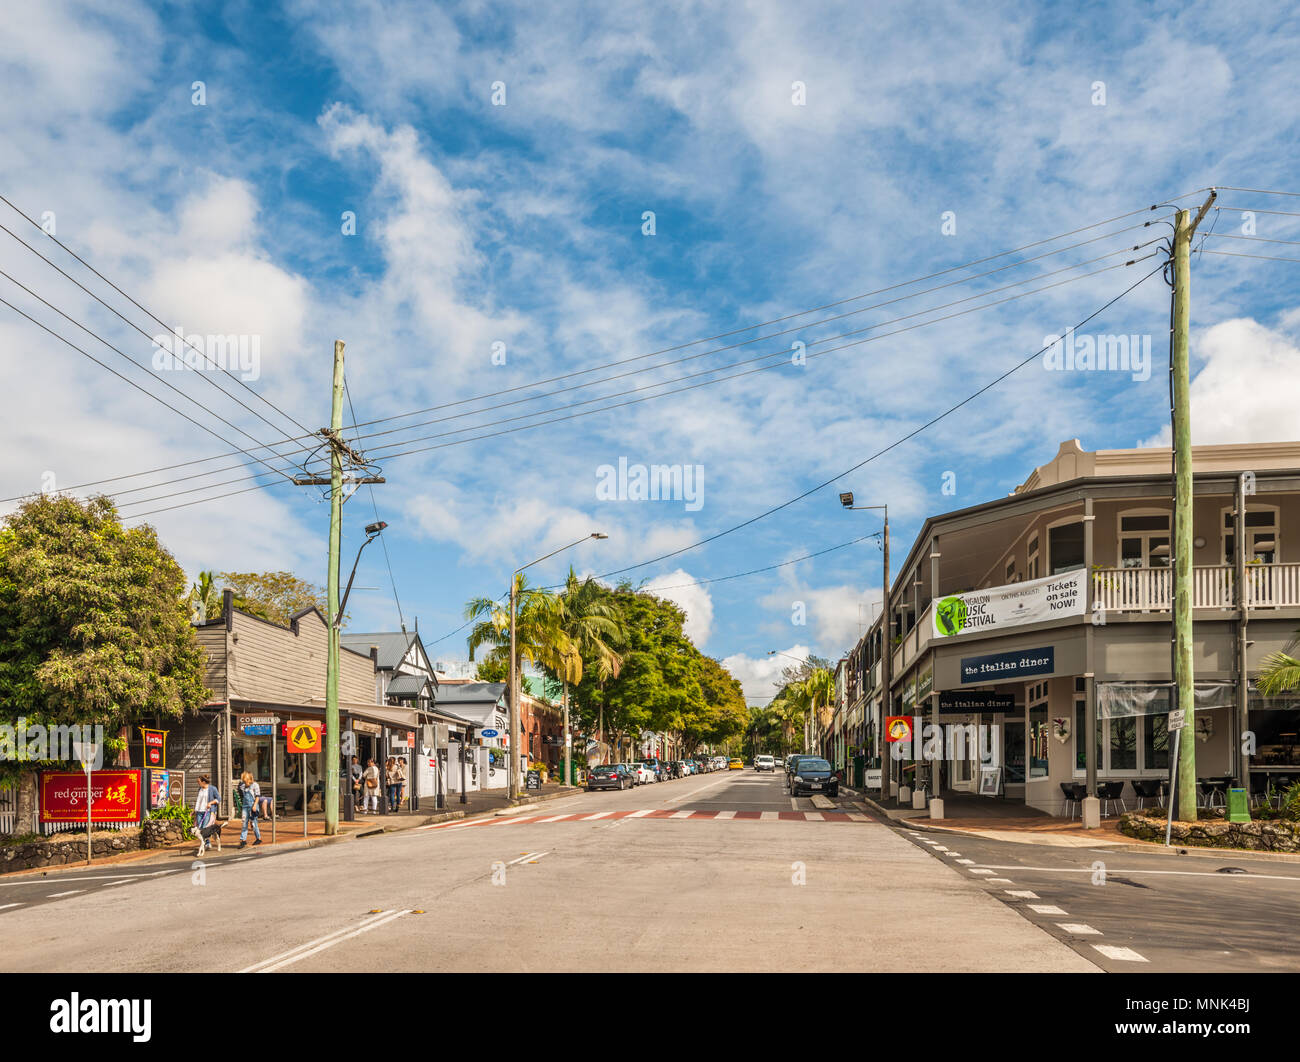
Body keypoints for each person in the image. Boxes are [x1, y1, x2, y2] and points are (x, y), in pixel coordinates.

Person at [193, 774, 222, 855]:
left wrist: (210, 803)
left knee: (205, 828)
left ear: (203, 781)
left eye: (198, 781)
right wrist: (194, 811)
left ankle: (207, 843)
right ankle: (206, 843)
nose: (197, 783)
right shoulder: (200, 789)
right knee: (200, 828)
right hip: (199, 811)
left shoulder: (212, 789)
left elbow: (219, 799)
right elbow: (198, 801)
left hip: (208, 811)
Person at [237, 771, 263, 847]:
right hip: (245, 806)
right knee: (244, 823)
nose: (244, 782)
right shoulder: (242, 786)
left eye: (245, 780)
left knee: (253, 823)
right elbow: (242, 796)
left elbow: (257, 796)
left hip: (253, 806)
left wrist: (255, 806)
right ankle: (243, 840)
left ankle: (258, 838)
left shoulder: (255, 785)